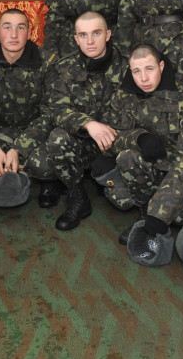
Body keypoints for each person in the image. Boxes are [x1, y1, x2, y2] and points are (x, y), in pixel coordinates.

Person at [108, 45, 183, 255]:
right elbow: (110, 138)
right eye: (136, 71)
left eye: (149, 69)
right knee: (127, 158)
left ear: (161, 66)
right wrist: (138, 137)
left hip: (179, 175)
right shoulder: (123, 95)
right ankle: (144, 214)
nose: (143, 78)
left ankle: (155, 216)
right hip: (149, 171)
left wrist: (160, 211)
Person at [0, 9, 59, 205]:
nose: (14, 35)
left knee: (45, 164)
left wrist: (19, 148)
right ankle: (12, 167)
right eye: (7, 28)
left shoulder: (48, 63)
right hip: (1, 130)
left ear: (29, 33)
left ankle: (23, 170)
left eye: (20, 28)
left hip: (36, 133)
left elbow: (50, 114)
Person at [47, 12, 129, 230]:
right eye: (83, 35)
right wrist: (88, 124)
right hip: (84, 140)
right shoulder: (64, 68)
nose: (90, 41)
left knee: (124, 202)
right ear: (76, 39)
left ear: (108, 35)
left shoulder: (128, 66)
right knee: (57, 138)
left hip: (118, 141)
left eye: (96, 33)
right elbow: (57, 109)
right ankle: (77, 198)